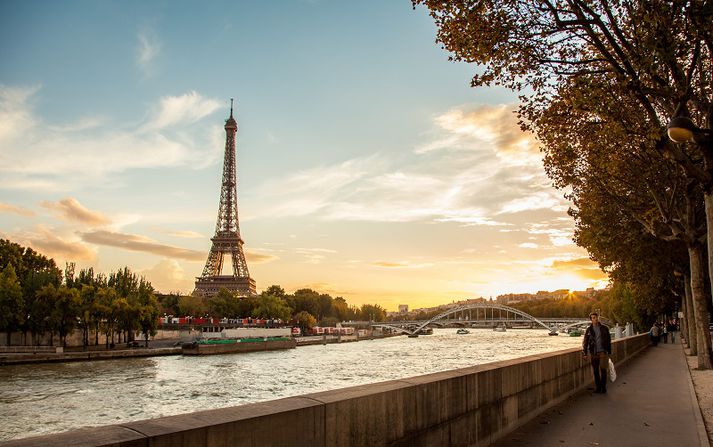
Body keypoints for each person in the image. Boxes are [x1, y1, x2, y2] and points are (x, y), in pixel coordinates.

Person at [582, 312, 612, 394]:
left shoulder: (604, 328)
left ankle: (603, 388)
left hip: (603, 352)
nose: (595, 319)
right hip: (594, 353)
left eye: (595, 317)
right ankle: (598, 388)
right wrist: (584, 353)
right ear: (591, 320)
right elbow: (585, 342)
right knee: (595, 371)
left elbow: (609, 341)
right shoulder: (589, 330)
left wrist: (609, 352)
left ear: (598, 318)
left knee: (603, 370)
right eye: (593, 318)